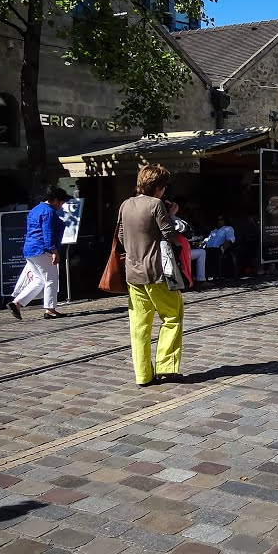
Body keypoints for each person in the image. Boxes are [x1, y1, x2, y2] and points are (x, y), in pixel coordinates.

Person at [117, 165, 184, 387]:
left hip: (132, 272)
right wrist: (172, 215)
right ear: (159, 187)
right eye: (164, 187)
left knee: (139, 325)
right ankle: (166, 366)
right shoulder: (156, 205)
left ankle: (143, 375)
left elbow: (120, 236)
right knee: (172, 316)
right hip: (157, 271)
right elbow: (169, 234)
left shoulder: (126, 204)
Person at [5, 186, 68, 320]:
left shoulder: (35, 209)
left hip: (30, 249)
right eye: (61, 202)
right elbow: (48, 233)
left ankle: (17, 303)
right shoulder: (48, 212)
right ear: (55, 200)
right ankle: (50, 309)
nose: (61, 205)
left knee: (39, 280)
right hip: (42, 249)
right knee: (51, 279)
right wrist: (54, 251)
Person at [190, 214, 236, 286]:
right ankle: (195, 278)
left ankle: (203, 279)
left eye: (221, 220)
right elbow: (206, 240)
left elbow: (231, 238)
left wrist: (225, 245)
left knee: (208, 254)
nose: (219, 222)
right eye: (218, 220)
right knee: (196, 254)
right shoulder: (213, 231)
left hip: (217, 249)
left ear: (224, 221)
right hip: (207, 248)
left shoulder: (227, 228)